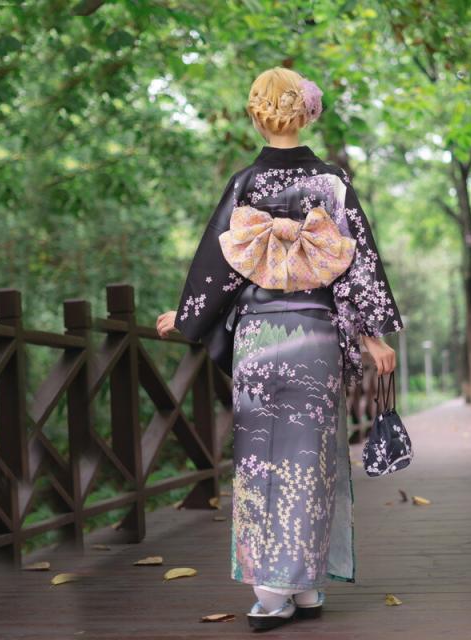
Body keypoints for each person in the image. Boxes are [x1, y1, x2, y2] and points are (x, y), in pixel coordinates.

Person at [156, 66, 403, 631]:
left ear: (255, 114)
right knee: (310, 458)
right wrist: (372, 336)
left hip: (259, 340)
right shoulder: (333, 183)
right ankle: (307, 585)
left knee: (260, 459)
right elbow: (356, 267)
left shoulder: (245, 183)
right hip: (315, 335)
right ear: (308, 113)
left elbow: (218, 267)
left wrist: (187, 317)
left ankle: (271, 594)